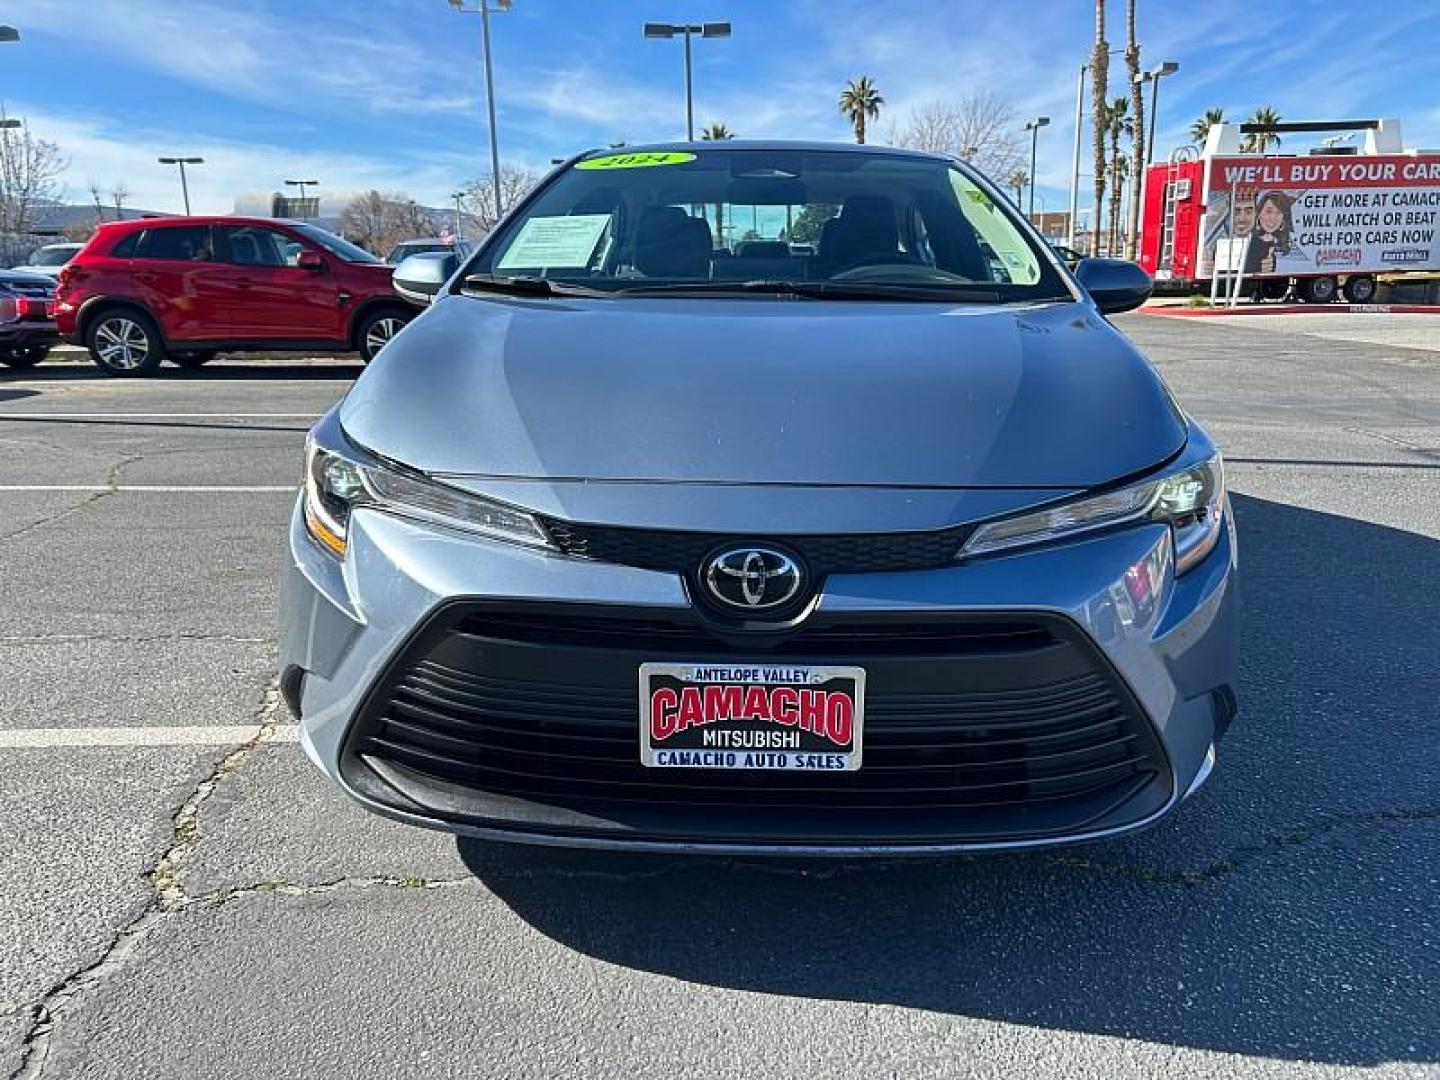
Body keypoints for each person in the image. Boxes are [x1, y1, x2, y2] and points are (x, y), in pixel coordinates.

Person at [1244, 190, 1294, 276]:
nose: (1273, 218)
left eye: (1278, 212)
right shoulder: (1248, 243)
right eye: (1269, 211)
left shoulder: (1284, 245)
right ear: (1259, 213)